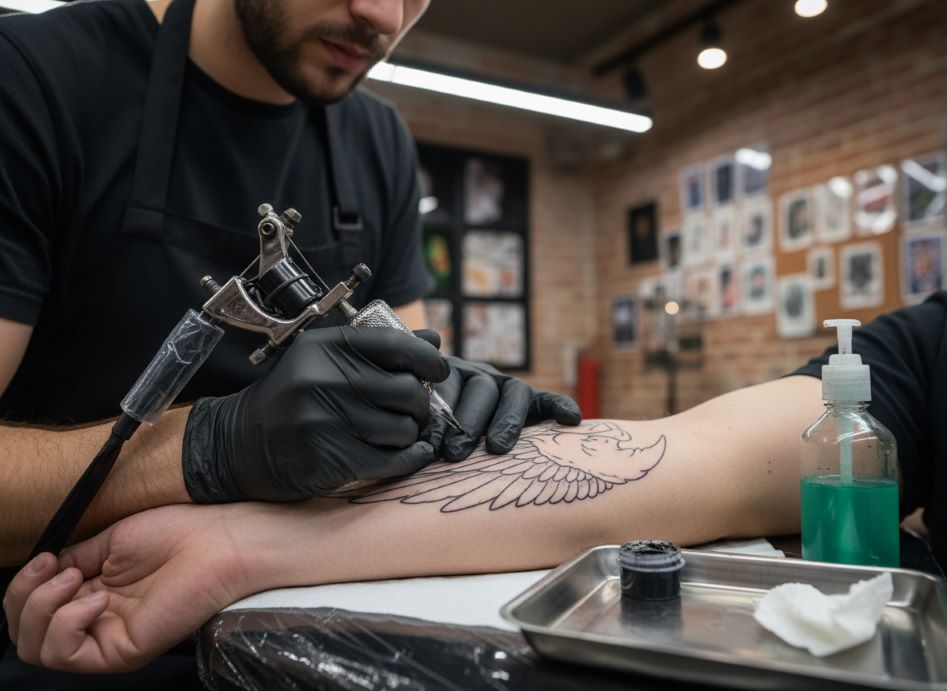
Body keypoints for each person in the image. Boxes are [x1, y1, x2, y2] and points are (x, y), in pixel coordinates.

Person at [7, 289, 946, 676]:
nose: (384, 13)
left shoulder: (367, 140)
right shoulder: (926, 348)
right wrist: (242, 541)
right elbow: (700, 457)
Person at [0, 0, 580, 569]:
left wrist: (436, 399)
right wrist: (208, 449)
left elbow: (403, 389)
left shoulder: (378, 139)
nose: (385, 16)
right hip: (61, 625)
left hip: (301, 598)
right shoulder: (31, 78)